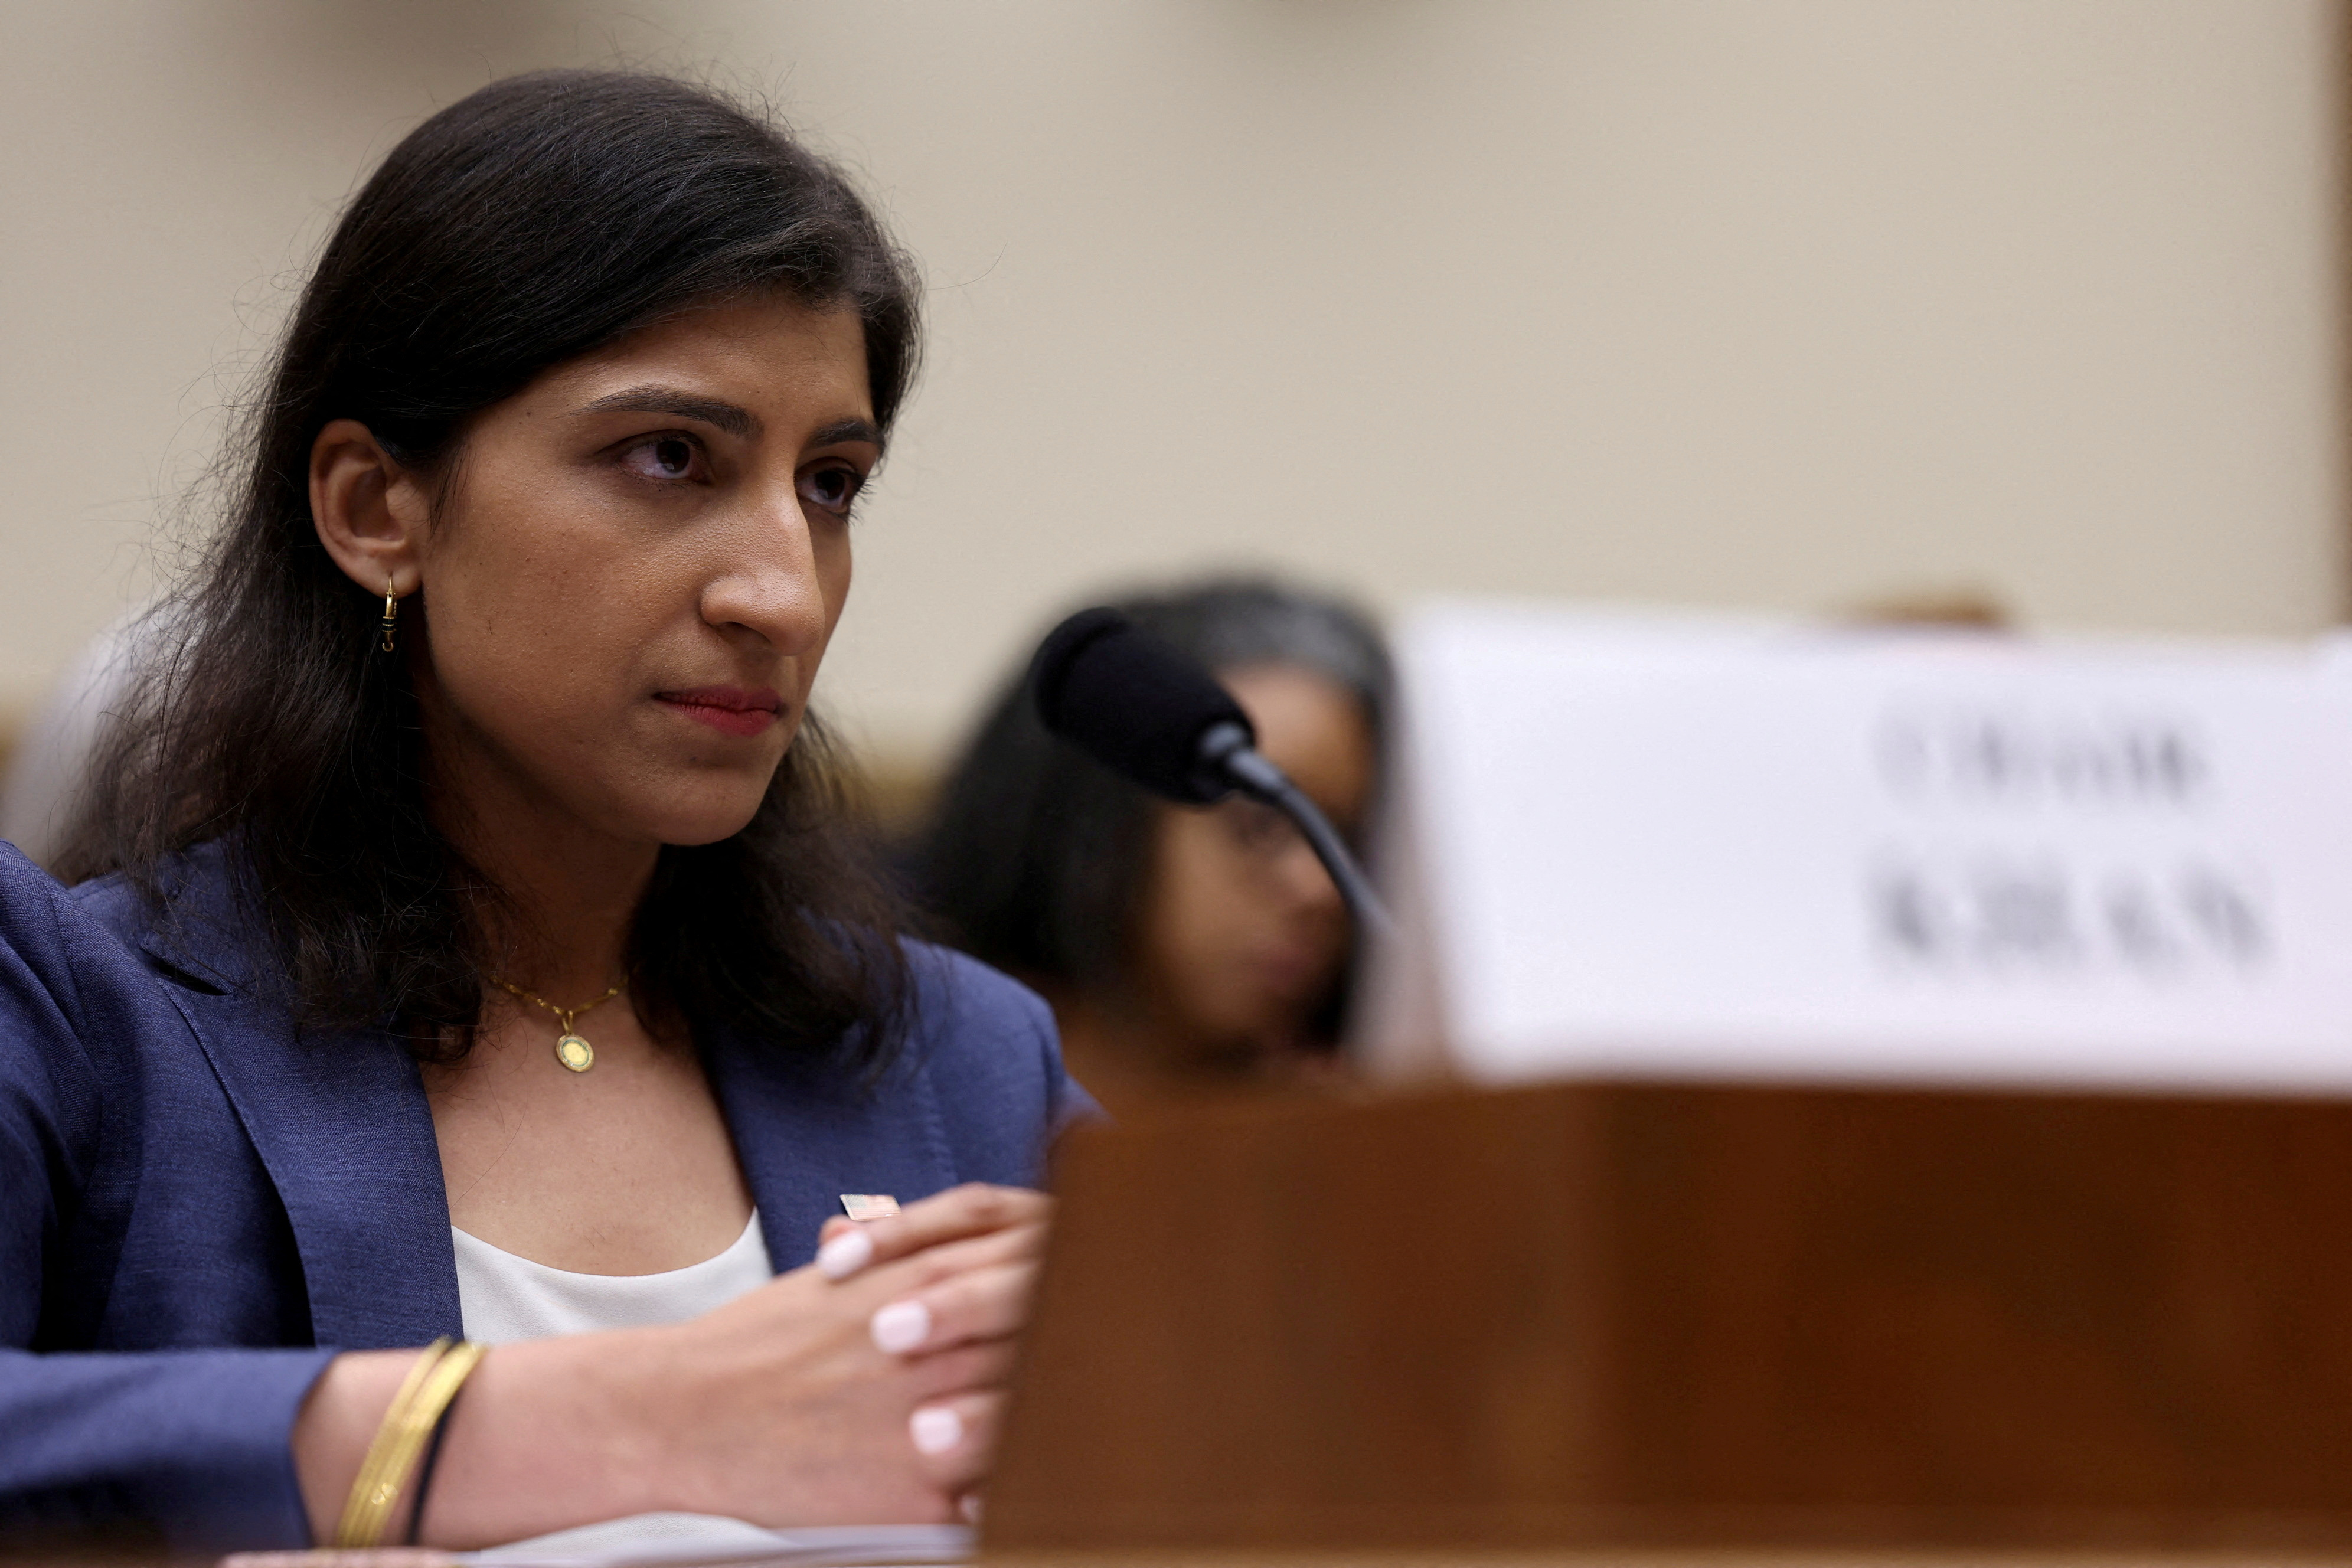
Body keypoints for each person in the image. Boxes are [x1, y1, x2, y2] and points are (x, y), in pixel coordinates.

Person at [0, 71, 1090, 1550]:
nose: (779, 592)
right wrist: (637, 1414)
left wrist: (1154, 1379)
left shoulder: (962, 1056)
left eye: (830, 485)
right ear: (378, 510)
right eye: (668, 458)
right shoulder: (88, 1021)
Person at [913, 581, 1389, 1115]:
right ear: (1098, 818)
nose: (1319, 889)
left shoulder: (1341, 1115)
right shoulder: (923, 1088)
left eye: (1348, 838)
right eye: (1258, 827)